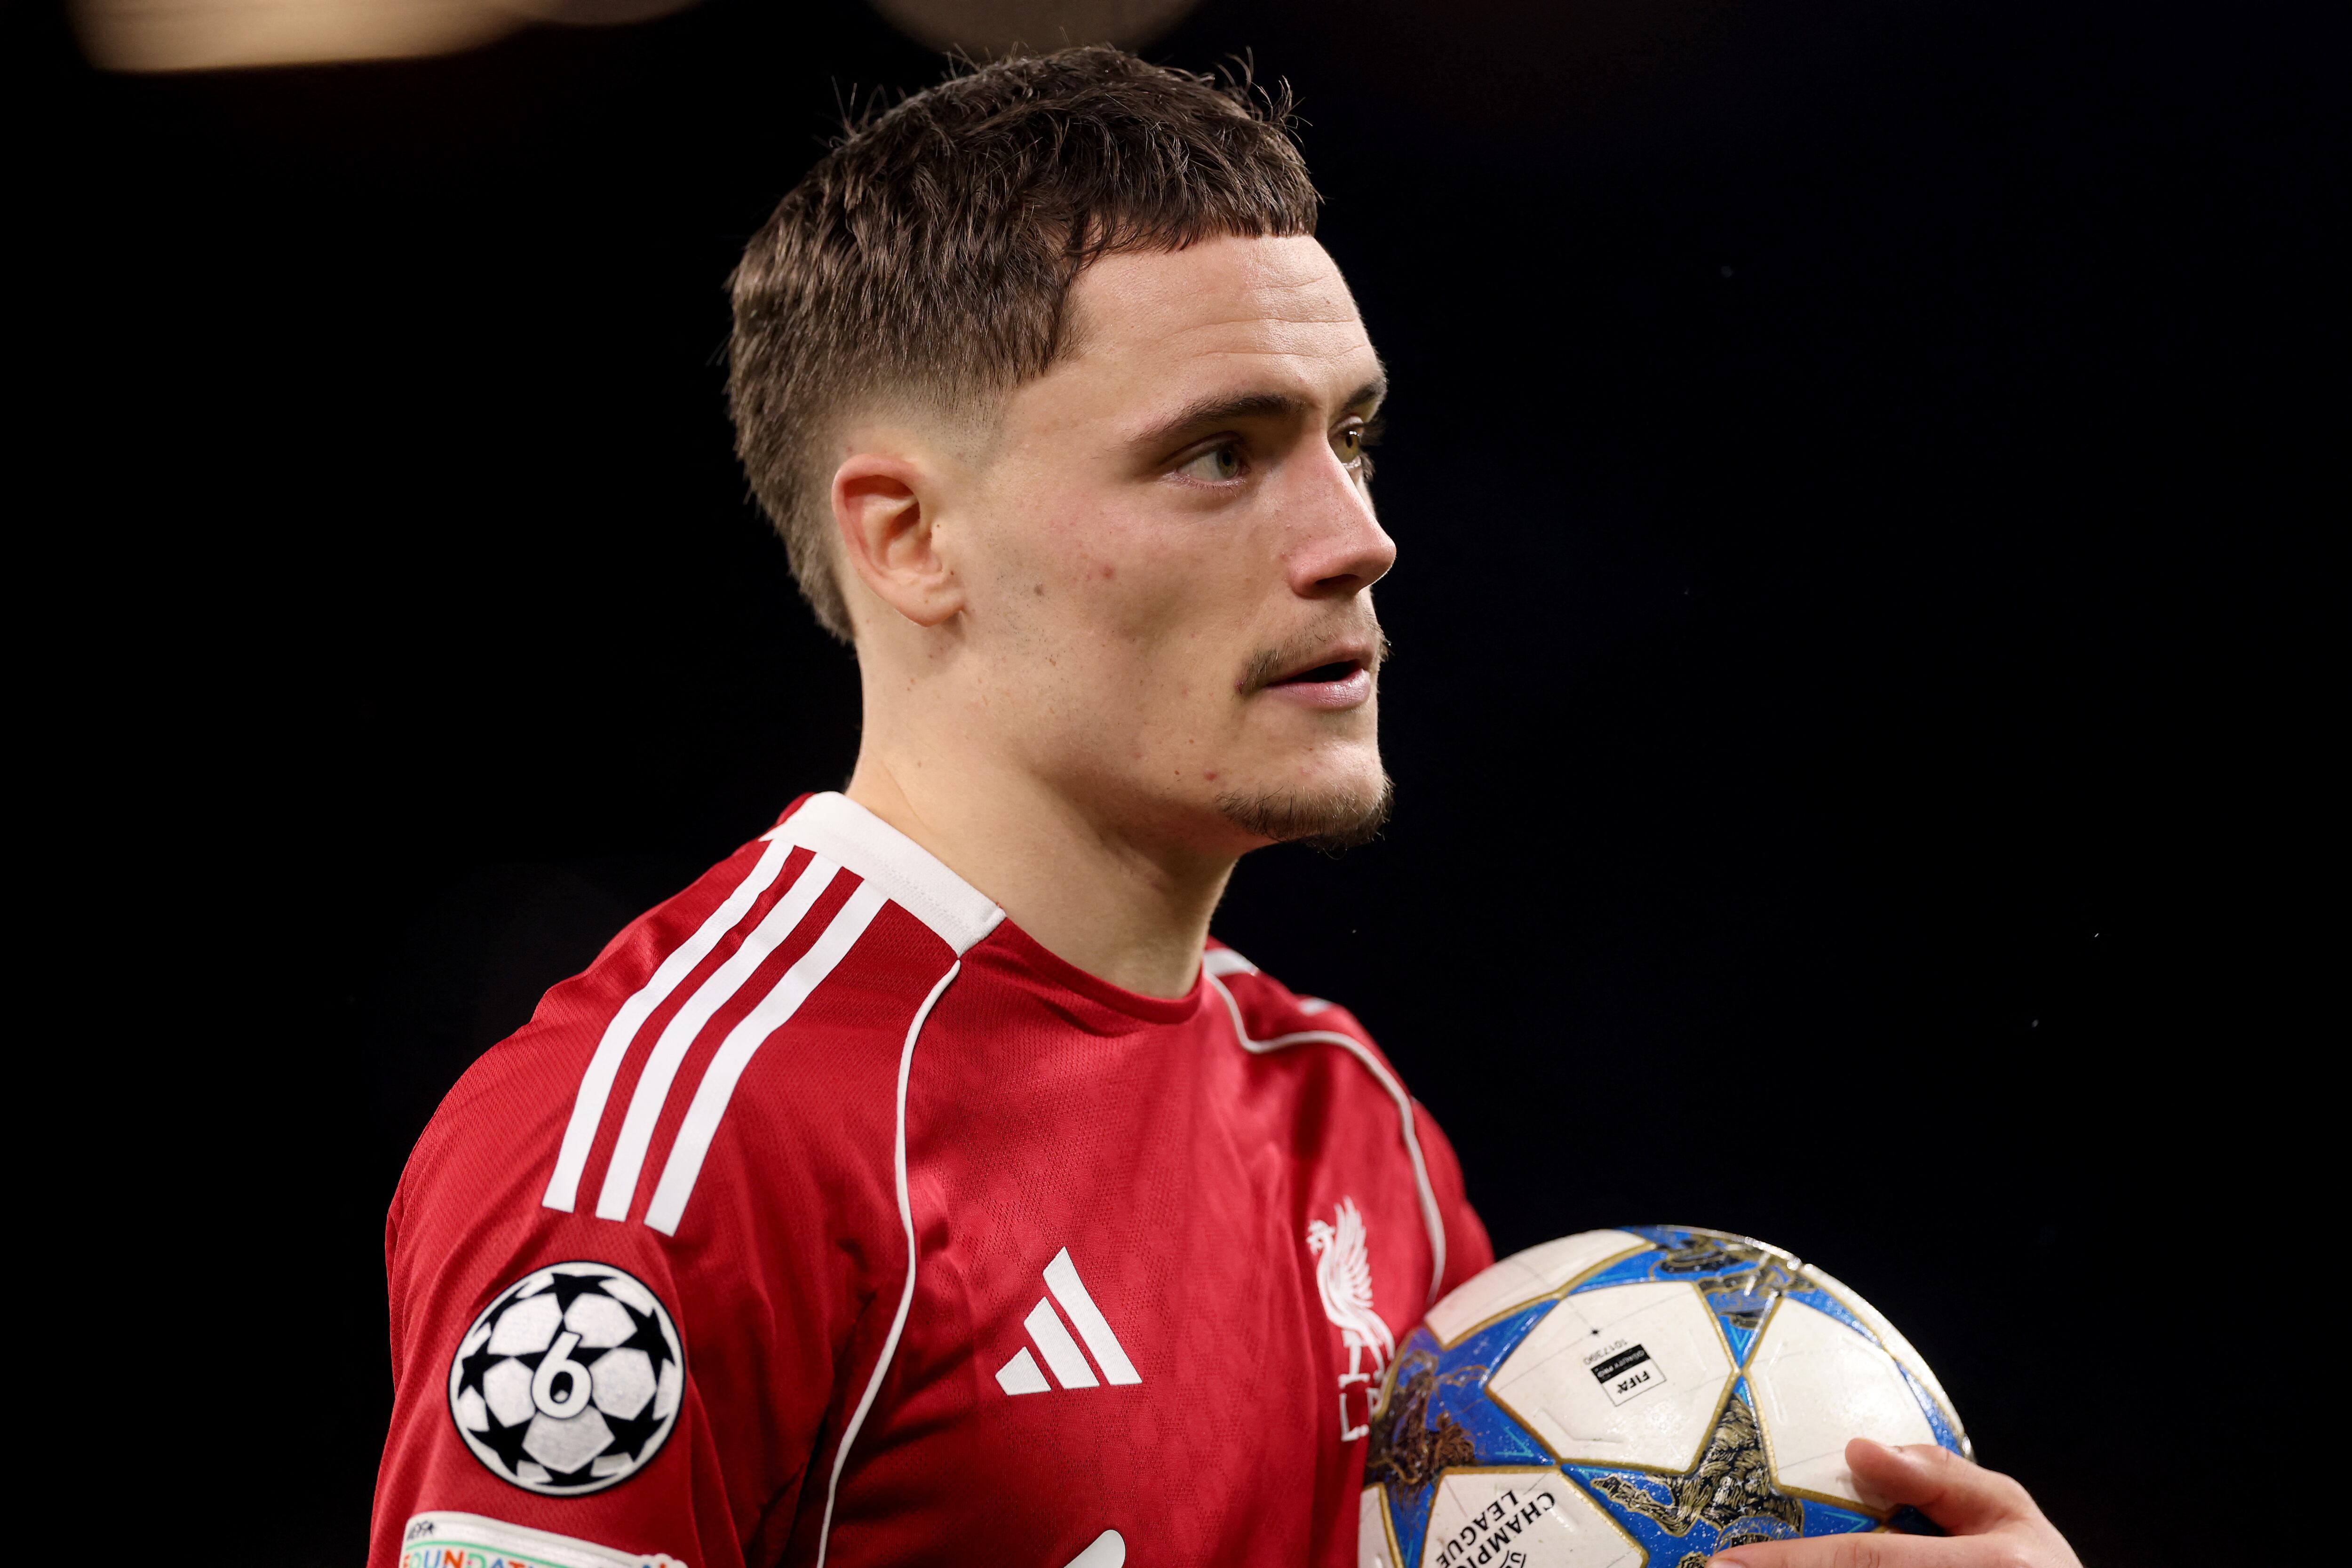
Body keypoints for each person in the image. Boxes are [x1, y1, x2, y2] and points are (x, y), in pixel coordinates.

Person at [369, 47, 2082, 1568]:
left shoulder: (1362, 1131)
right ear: (910, 538)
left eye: (1353, 437)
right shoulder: (676, 1147)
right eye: (1220, 453)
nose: (1355, 536)